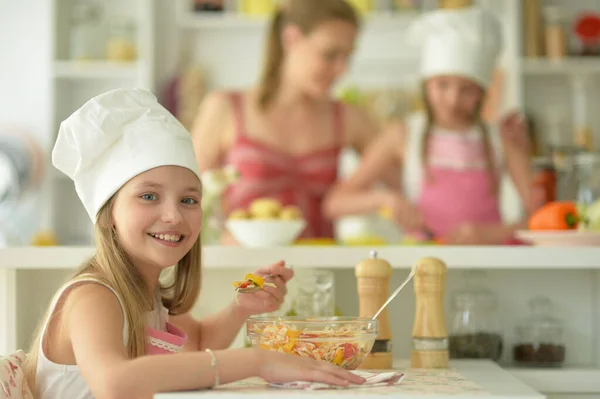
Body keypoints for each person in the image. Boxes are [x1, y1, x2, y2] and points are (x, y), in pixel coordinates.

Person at [23, 89, 365, 399]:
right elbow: (115, 382)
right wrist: (257, 361)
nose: (173, 215)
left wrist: (241, 308)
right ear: (108, 213)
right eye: (149, 196)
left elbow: (197, 344)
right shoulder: (94, 296)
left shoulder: (147, 295)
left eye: (189, 200)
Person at [323, 7, 537, 245]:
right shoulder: (402, 135)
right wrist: (386, 199)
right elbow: (335, 203)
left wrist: (493, 234)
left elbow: (541, 219)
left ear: (482, 91)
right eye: (442, 85)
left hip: (490, 260)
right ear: (426, 85)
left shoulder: (502, 138)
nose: (453, 99)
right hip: (423, 263)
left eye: (467, 89)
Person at [191, 0, 389, 240]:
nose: (342, 70)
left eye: (347, 56)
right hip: (243, 272)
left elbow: (409, 179)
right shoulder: (225, 108)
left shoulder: (348, 117)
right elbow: (189, 202)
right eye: (330, 54)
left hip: (318, 270)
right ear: (292, 39)